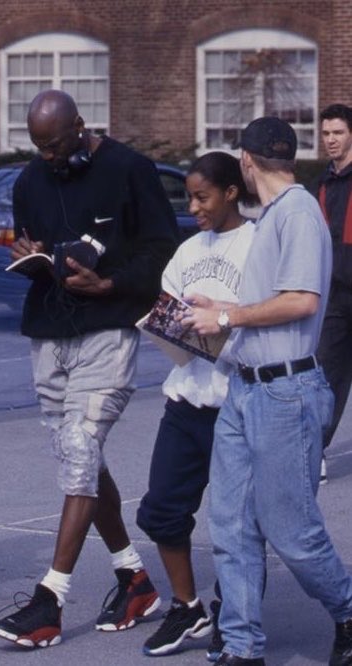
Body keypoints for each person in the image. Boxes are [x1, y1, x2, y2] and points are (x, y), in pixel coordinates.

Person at [0, 89, 180, 648]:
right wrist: (28, 256)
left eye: (55, 145)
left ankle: (49, 600)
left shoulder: (130, 170)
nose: (48, 157)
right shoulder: (29, 182)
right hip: (49, 332)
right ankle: (133, 578)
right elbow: (39, 252)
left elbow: (165, 251)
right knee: (82, 460)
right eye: (38, 147)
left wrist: (112, 282)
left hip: (107, 331)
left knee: (80, 455)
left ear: (80, 126)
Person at [183, 116, 352, 666]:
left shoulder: (299, 213)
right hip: (246, 388)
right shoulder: (277, 214)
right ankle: (241, 645)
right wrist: (217, 313)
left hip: (285, 392)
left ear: (247, 163)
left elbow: (301, 300)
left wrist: (227, 315)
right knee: (230, 525)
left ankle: (348, 611)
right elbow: (267, 302)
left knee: (292, 532)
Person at [136, 152, 255, 659]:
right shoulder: (186, 252)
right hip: (186, 403)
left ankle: (236, 617)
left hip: (239, 407)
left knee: (239, 529)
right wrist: (170, 328)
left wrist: (222, 324)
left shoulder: (258, 246)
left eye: (202, 196)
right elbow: (167, 307)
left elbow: (270, 321)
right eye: (190, 197)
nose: (194, 206)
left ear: (231, 191)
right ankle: (188, 608)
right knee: (161, 511)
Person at [316, 103, 352, 483]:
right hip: (336, 297)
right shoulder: (324, 183)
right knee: (326, 378)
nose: (330, 140)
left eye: (337, 132)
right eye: (326, 133)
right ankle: (315, 450)